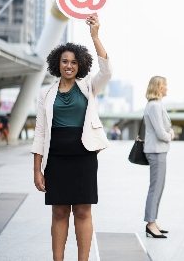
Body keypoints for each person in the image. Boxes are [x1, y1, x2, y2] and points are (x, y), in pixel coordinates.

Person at [31, 16, 112, 261]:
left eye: (74, 62)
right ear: (57, 63)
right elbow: (40, 132)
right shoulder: (46, 93)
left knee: (83, 210)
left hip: (84, 155)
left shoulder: (89, 86)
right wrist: (37, 169)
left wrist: (95, 36)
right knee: (58, 212)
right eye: (65, 61)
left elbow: (107, 70)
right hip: (56, 157)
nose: (69, 66)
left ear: (80, 65)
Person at [143, 76, 175, 239]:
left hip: (158, 150)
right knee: (155, 188)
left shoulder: (156, 104)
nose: (167, 88)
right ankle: (150, 224)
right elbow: (160, 132)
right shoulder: (155, 106)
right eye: (165, 85)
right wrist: (171, 135)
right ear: (159, 88)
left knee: (158, 187)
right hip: (156, 151)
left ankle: (153, 222)